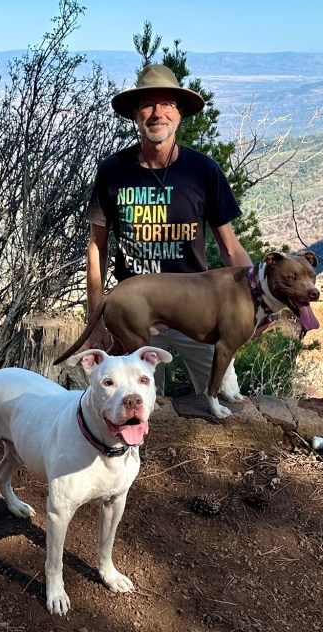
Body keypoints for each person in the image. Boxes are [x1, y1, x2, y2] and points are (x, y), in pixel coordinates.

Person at [84, 63, 254, 404]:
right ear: (135, 114)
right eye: (148, 104)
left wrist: (256, 299)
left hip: (197, 309)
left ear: (179, 113)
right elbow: (97, 249)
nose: (157, 113)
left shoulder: (203, 170)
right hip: (136, 309)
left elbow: (230, 248)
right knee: (128, 402)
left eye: (167, 104)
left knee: (223, 399)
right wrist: (95, 320)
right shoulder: (113, 171)